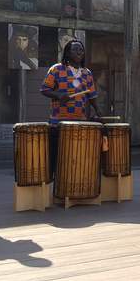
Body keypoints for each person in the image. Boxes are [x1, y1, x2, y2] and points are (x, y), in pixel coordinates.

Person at [41, 39, 101, 178]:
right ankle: (55, 183)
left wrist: (98, 112)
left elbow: (91, 95)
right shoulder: (56, 69)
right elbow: (44, 89)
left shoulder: (87, 73)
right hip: (58, 122)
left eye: (81, 50)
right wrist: (58, 95)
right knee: (57, 157)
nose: (79, 52)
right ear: (67, 53)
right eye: (75, 49)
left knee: (76, 157)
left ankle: (74, 183)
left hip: (80, 122)